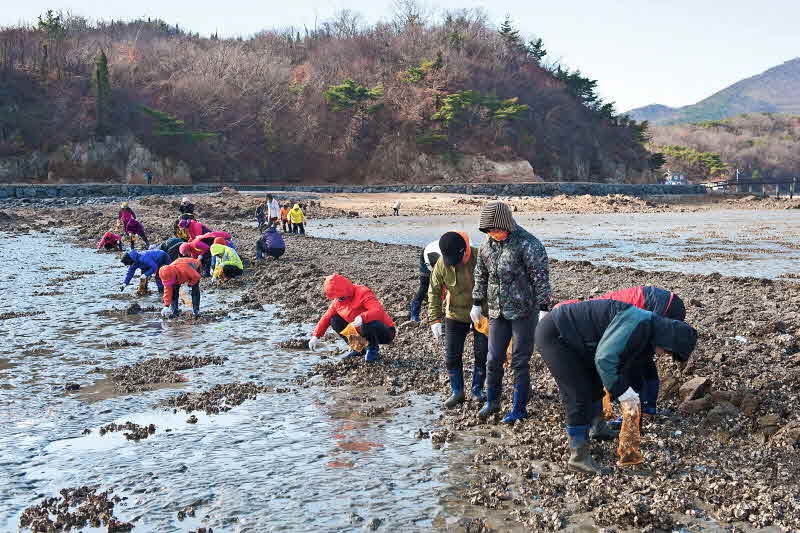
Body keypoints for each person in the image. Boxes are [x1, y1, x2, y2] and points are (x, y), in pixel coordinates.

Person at [536, 299, 698, 474]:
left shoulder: (649, 331)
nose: (663, 355)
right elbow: (605, 360)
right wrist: (622, 393)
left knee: (595, 381)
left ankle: (598, 428)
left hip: (582, 341)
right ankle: (578, 457)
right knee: (577, 395)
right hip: (556, 334)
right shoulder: (636, 324)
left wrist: (634, 401)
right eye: (667, 352)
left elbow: (628, 366)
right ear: (667, 341)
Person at [471, 201, 551, 424]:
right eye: (489, 231)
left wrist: (544, 308)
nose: (493, 234)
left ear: (507, 224)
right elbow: (480, 273)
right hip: (497, 311)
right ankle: (492, 401)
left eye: (496, 230)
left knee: (519, 360)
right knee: (493, 358)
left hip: (524, 311)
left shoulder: (529, 244)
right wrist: (476, 302)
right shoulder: (487, 243)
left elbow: (540, 278)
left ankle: (519, 407)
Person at [554, 286, 686, 418]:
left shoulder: (587, 316)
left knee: (636, 358)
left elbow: (609, 356)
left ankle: (640, 409)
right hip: (668, 301)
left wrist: (617, 388)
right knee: (643, 358)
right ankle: (647, 407)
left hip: (661, 305)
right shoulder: (594, 307)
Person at [428, 231, 488, 408]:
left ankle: (477, 390)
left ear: (464, 251)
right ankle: (457, 392)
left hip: (481, 313)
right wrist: (435, 320)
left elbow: (495, 285)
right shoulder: (442, 263)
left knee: (481, 354)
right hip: (454, 313)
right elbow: (434, 291)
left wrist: (487, 310)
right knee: (451, 357)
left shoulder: (480, 258)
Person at [308, 274, 396, 362]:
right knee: (334, 320)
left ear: (346, 289)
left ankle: (372, 350)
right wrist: (315, 336)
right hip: (362, 332)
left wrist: (362, 318)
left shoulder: (363, 292)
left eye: (341, 296)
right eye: (337, 297)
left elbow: (378, 311)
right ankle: (358, 348)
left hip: (385, 332)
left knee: (367, 323)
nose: (339, 298)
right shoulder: (337, 302)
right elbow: (326, 318)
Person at [409, 240, 442, 322]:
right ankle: (414, 313)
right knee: (424, 286)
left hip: (438, 255)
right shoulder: (430, 256)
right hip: (427, 255)